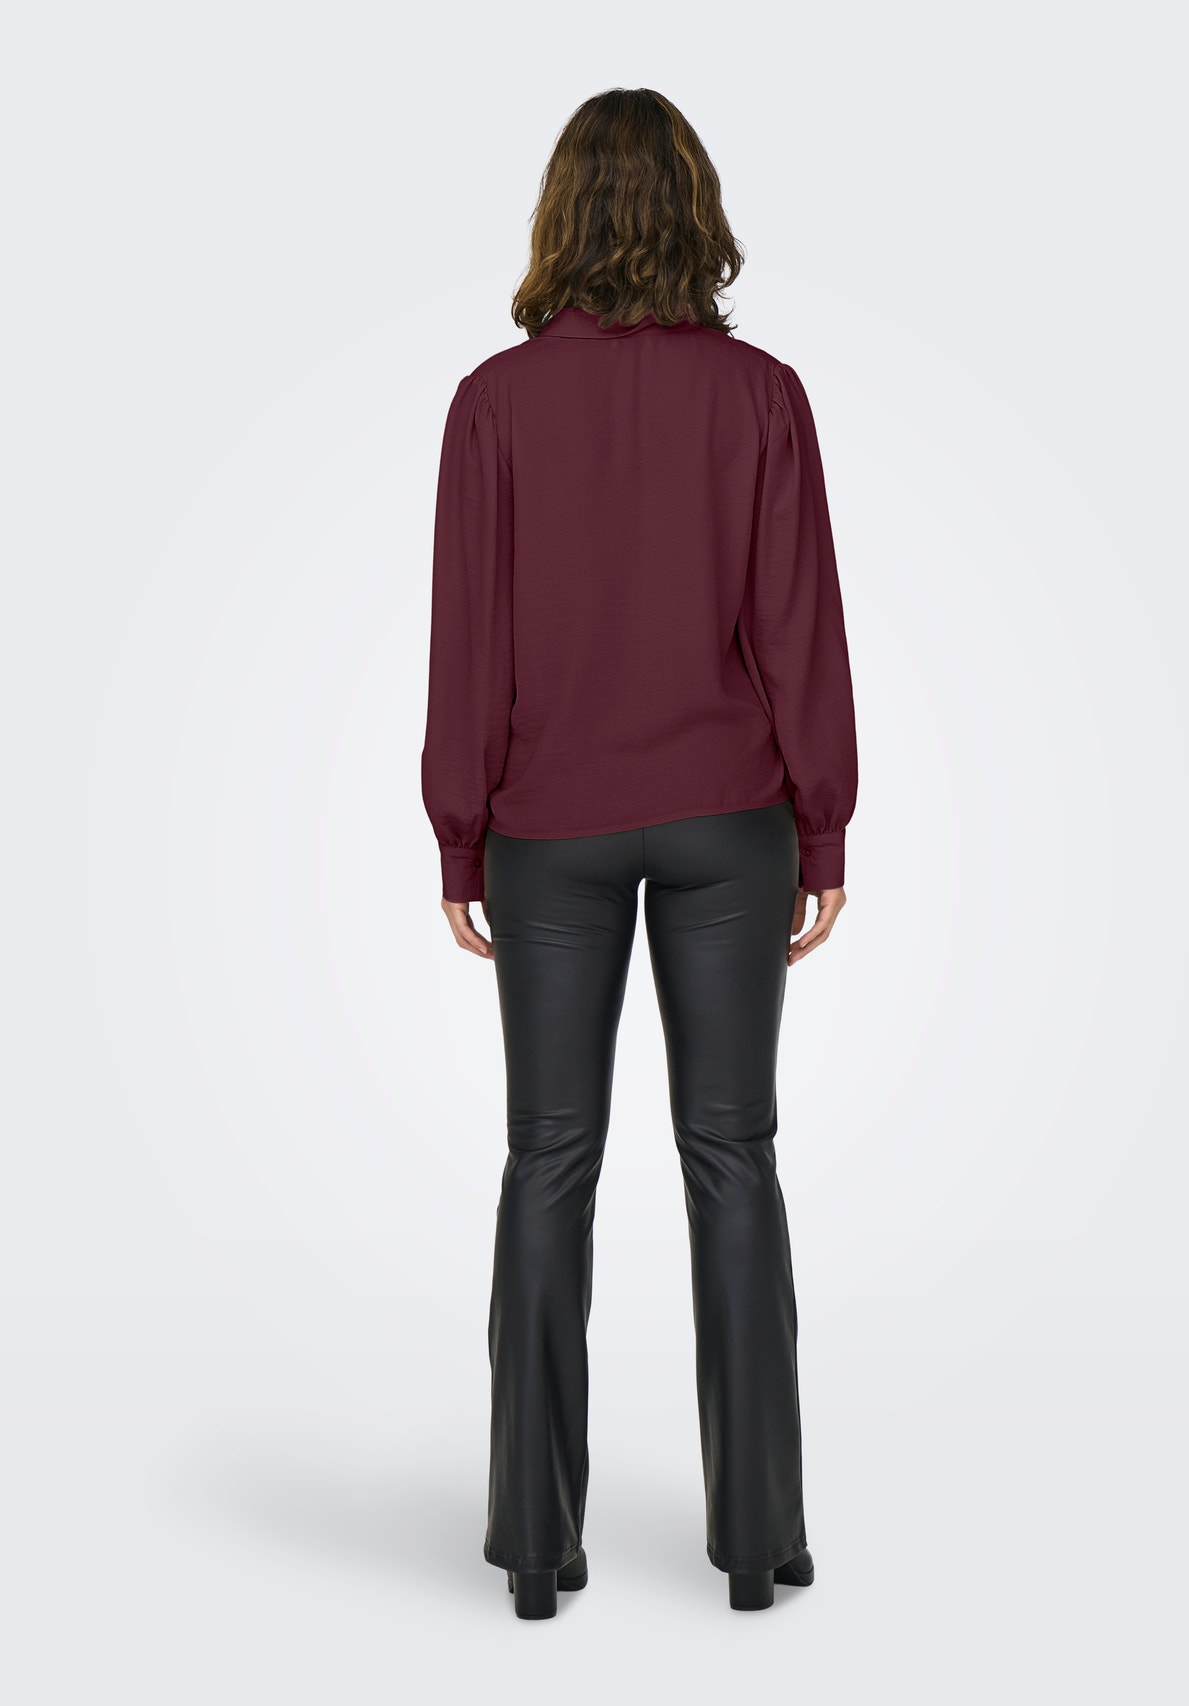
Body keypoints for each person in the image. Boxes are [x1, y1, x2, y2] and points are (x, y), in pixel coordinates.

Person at [419, 87, 858, 1619]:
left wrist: (461, 834)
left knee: (550, 1159)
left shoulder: (494, 404)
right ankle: (758, 1542)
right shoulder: (761, 398)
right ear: (695, 213)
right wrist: (823, 820)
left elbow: (469, 639)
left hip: (549, 826)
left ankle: (536, 1547)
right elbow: (798, 624)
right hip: (731, 818)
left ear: (564, 217)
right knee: (733, 1155)